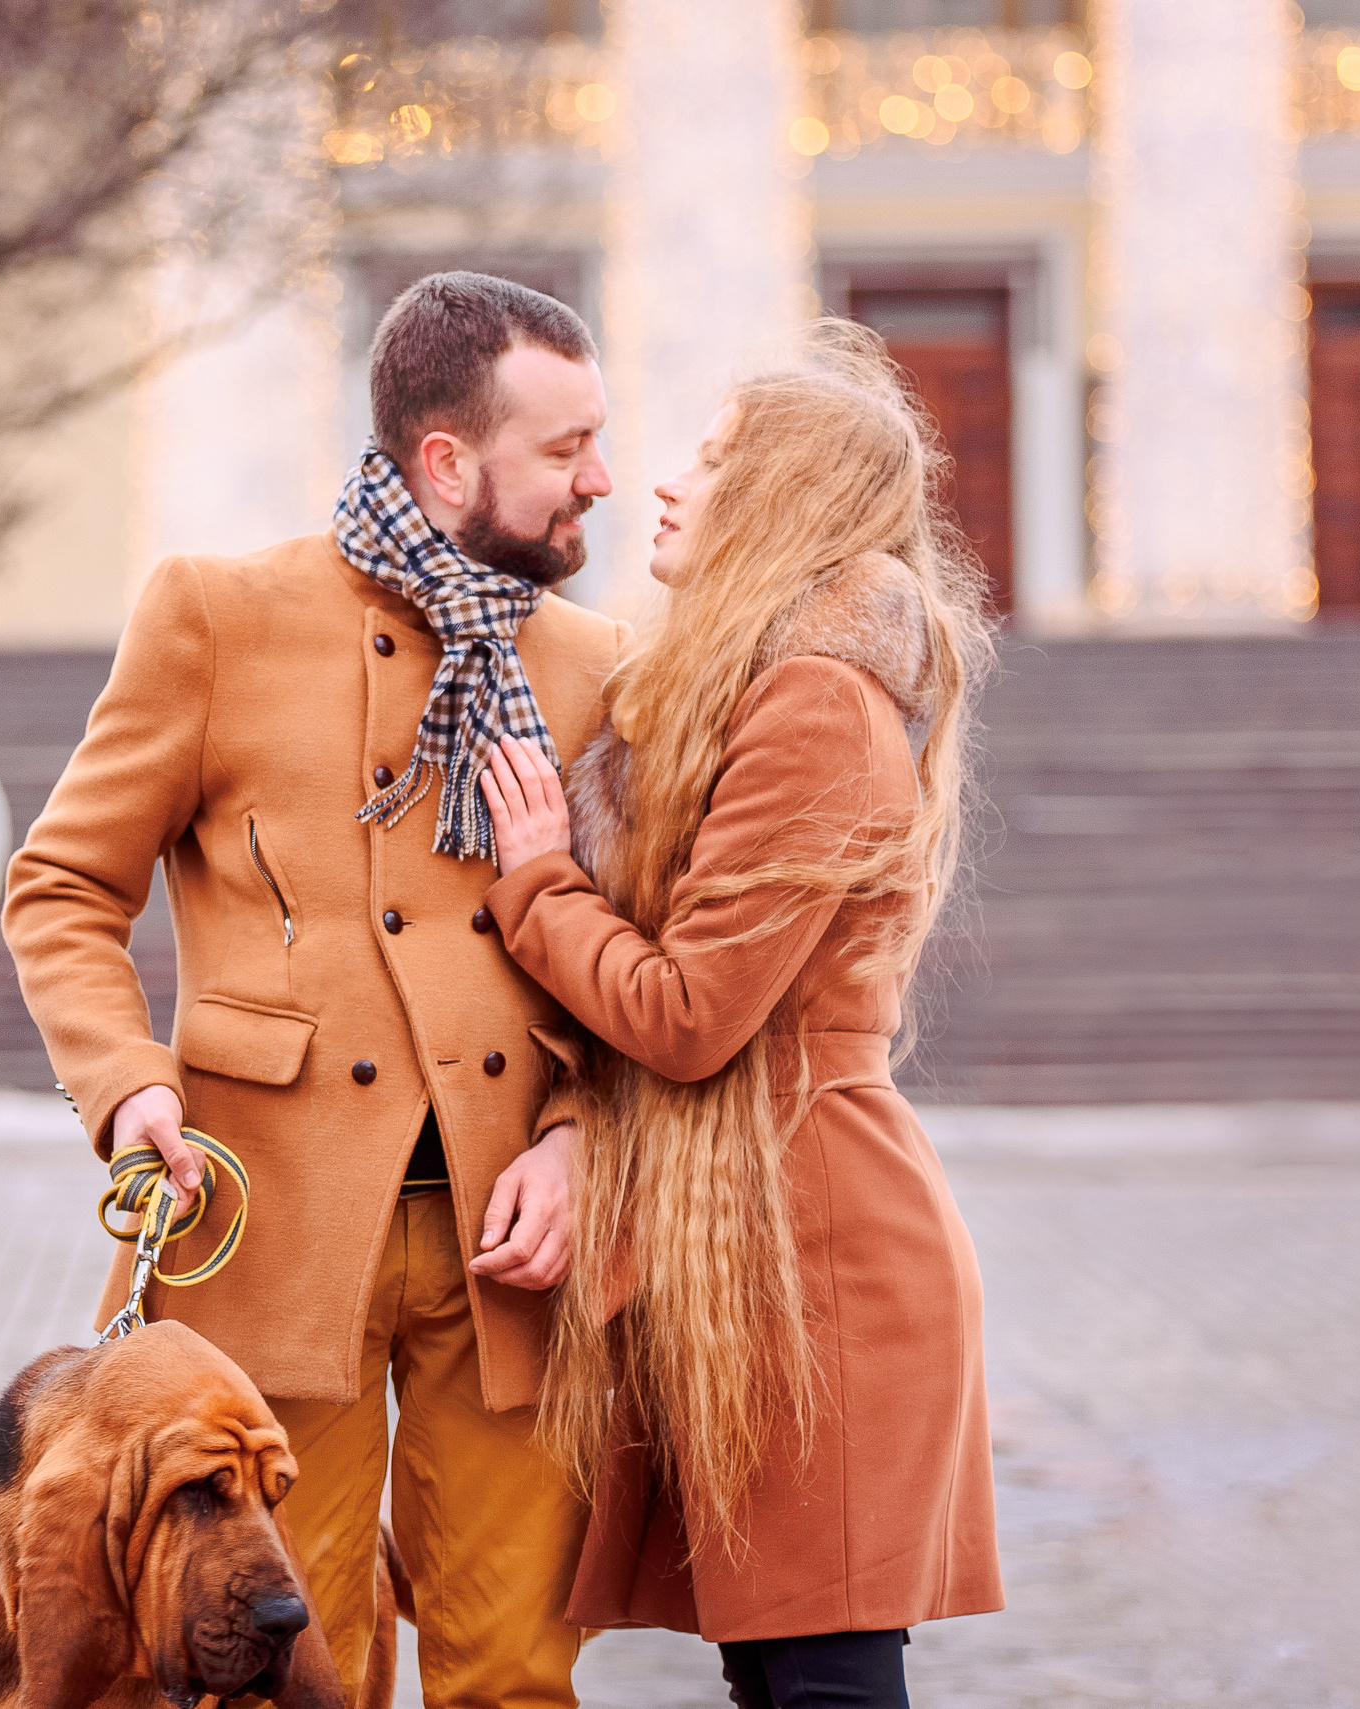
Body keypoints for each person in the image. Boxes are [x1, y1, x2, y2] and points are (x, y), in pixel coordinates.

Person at [4, 272, 631, 1709]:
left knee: (518, 1672)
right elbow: (62, 886)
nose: (602, 478)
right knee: (284, 1664)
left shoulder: (600, 667)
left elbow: (628, 956)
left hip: (510, 1253)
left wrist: (586, 1134)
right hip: (263, 1222)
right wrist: (128, 1084)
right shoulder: (217, 618)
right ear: (446, 460)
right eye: (565, 447)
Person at [477, 321, 1004, 1709]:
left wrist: (538, 879)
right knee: (780, 1672)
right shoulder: (751, 691)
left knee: (819, 1676)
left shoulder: (820, 706)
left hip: (820, 1248)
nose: (664, 484)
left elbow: (694, 1010)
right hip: (755, 1227)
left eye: (712, 466)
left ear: (782, 503)